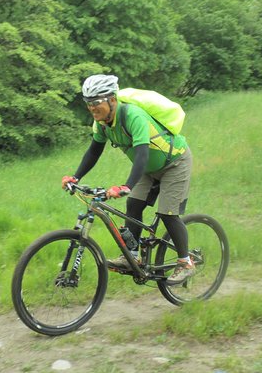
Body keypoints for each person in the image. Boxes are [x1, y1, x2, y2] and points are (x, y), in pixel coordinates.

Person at [62, 74, 194, 285]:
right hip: (149, 169)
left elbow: (142, 154)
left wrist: (126, 186)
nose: (92, 108)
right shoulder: (102, 124)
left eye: (96, 102)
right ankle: (132, 256)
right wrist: (75, 177)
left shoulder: (133, 116)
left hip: (174, 163)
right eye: (88, 104)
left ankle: (185, 262)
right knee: (133, 204)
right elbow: (94, 151)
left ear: (112, 99)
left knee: (168, 214)